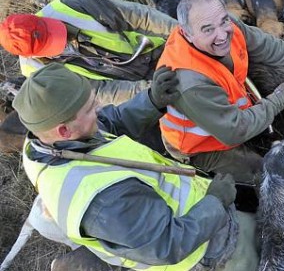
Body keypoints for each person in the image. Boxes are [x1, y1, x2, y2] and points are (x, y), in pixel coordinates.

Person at [13, 63, 259, 271]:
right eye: (89, 108)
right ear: (64, 130)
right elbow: (169, 244)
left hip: (200, 212)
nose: (98, 106)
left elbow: (109, 123)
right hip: (207, 251)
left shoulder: (44, 141)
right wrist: (215, 202)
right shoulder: (104, 202)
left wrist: (152, 101)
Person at [158, 0, 284, 186]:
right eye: (207, 29)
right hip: (203, 146)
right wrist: (278, 101)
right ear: (187, 33)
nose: (222, 35)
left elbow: (265, 45)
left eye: (223, 21)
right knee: (267, 174)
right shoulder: (189, 82)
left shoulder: (228, 25)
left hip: (228, 117)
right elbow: (234, 130)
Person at [0, 0, 177, 106]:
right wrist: (151, 91)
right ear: (31, 55)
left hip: (160, 51)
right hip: (133, 92)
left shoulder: (70, 6)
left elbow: (140, 17)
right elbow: (98, 92)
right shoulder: (36, 73)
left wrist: (183, 33)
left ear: (37, 18)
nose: (61, 43)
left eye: (52, 34)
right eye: (50, 45)